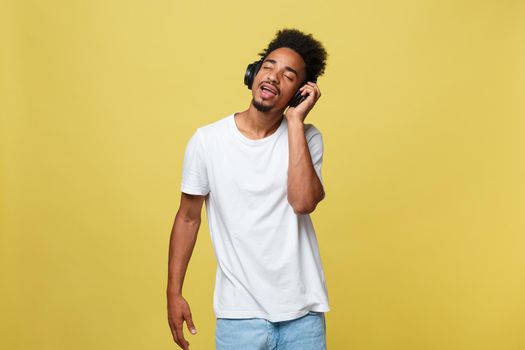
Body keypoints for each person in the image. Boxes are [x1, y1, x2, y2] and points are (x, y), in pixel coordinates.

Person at [167, 28, 330, 350]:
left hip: (303, 315)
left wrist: (296, 121)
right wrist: (173, 293)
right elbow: (188, 218)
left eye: (289, 75)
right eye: (268, 66)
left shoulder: (308, 137)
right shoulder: (207, 141)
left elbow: (302, 202)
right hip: (239, 315)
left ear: (300, 92)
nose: (273, 77)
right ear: (253, 73)